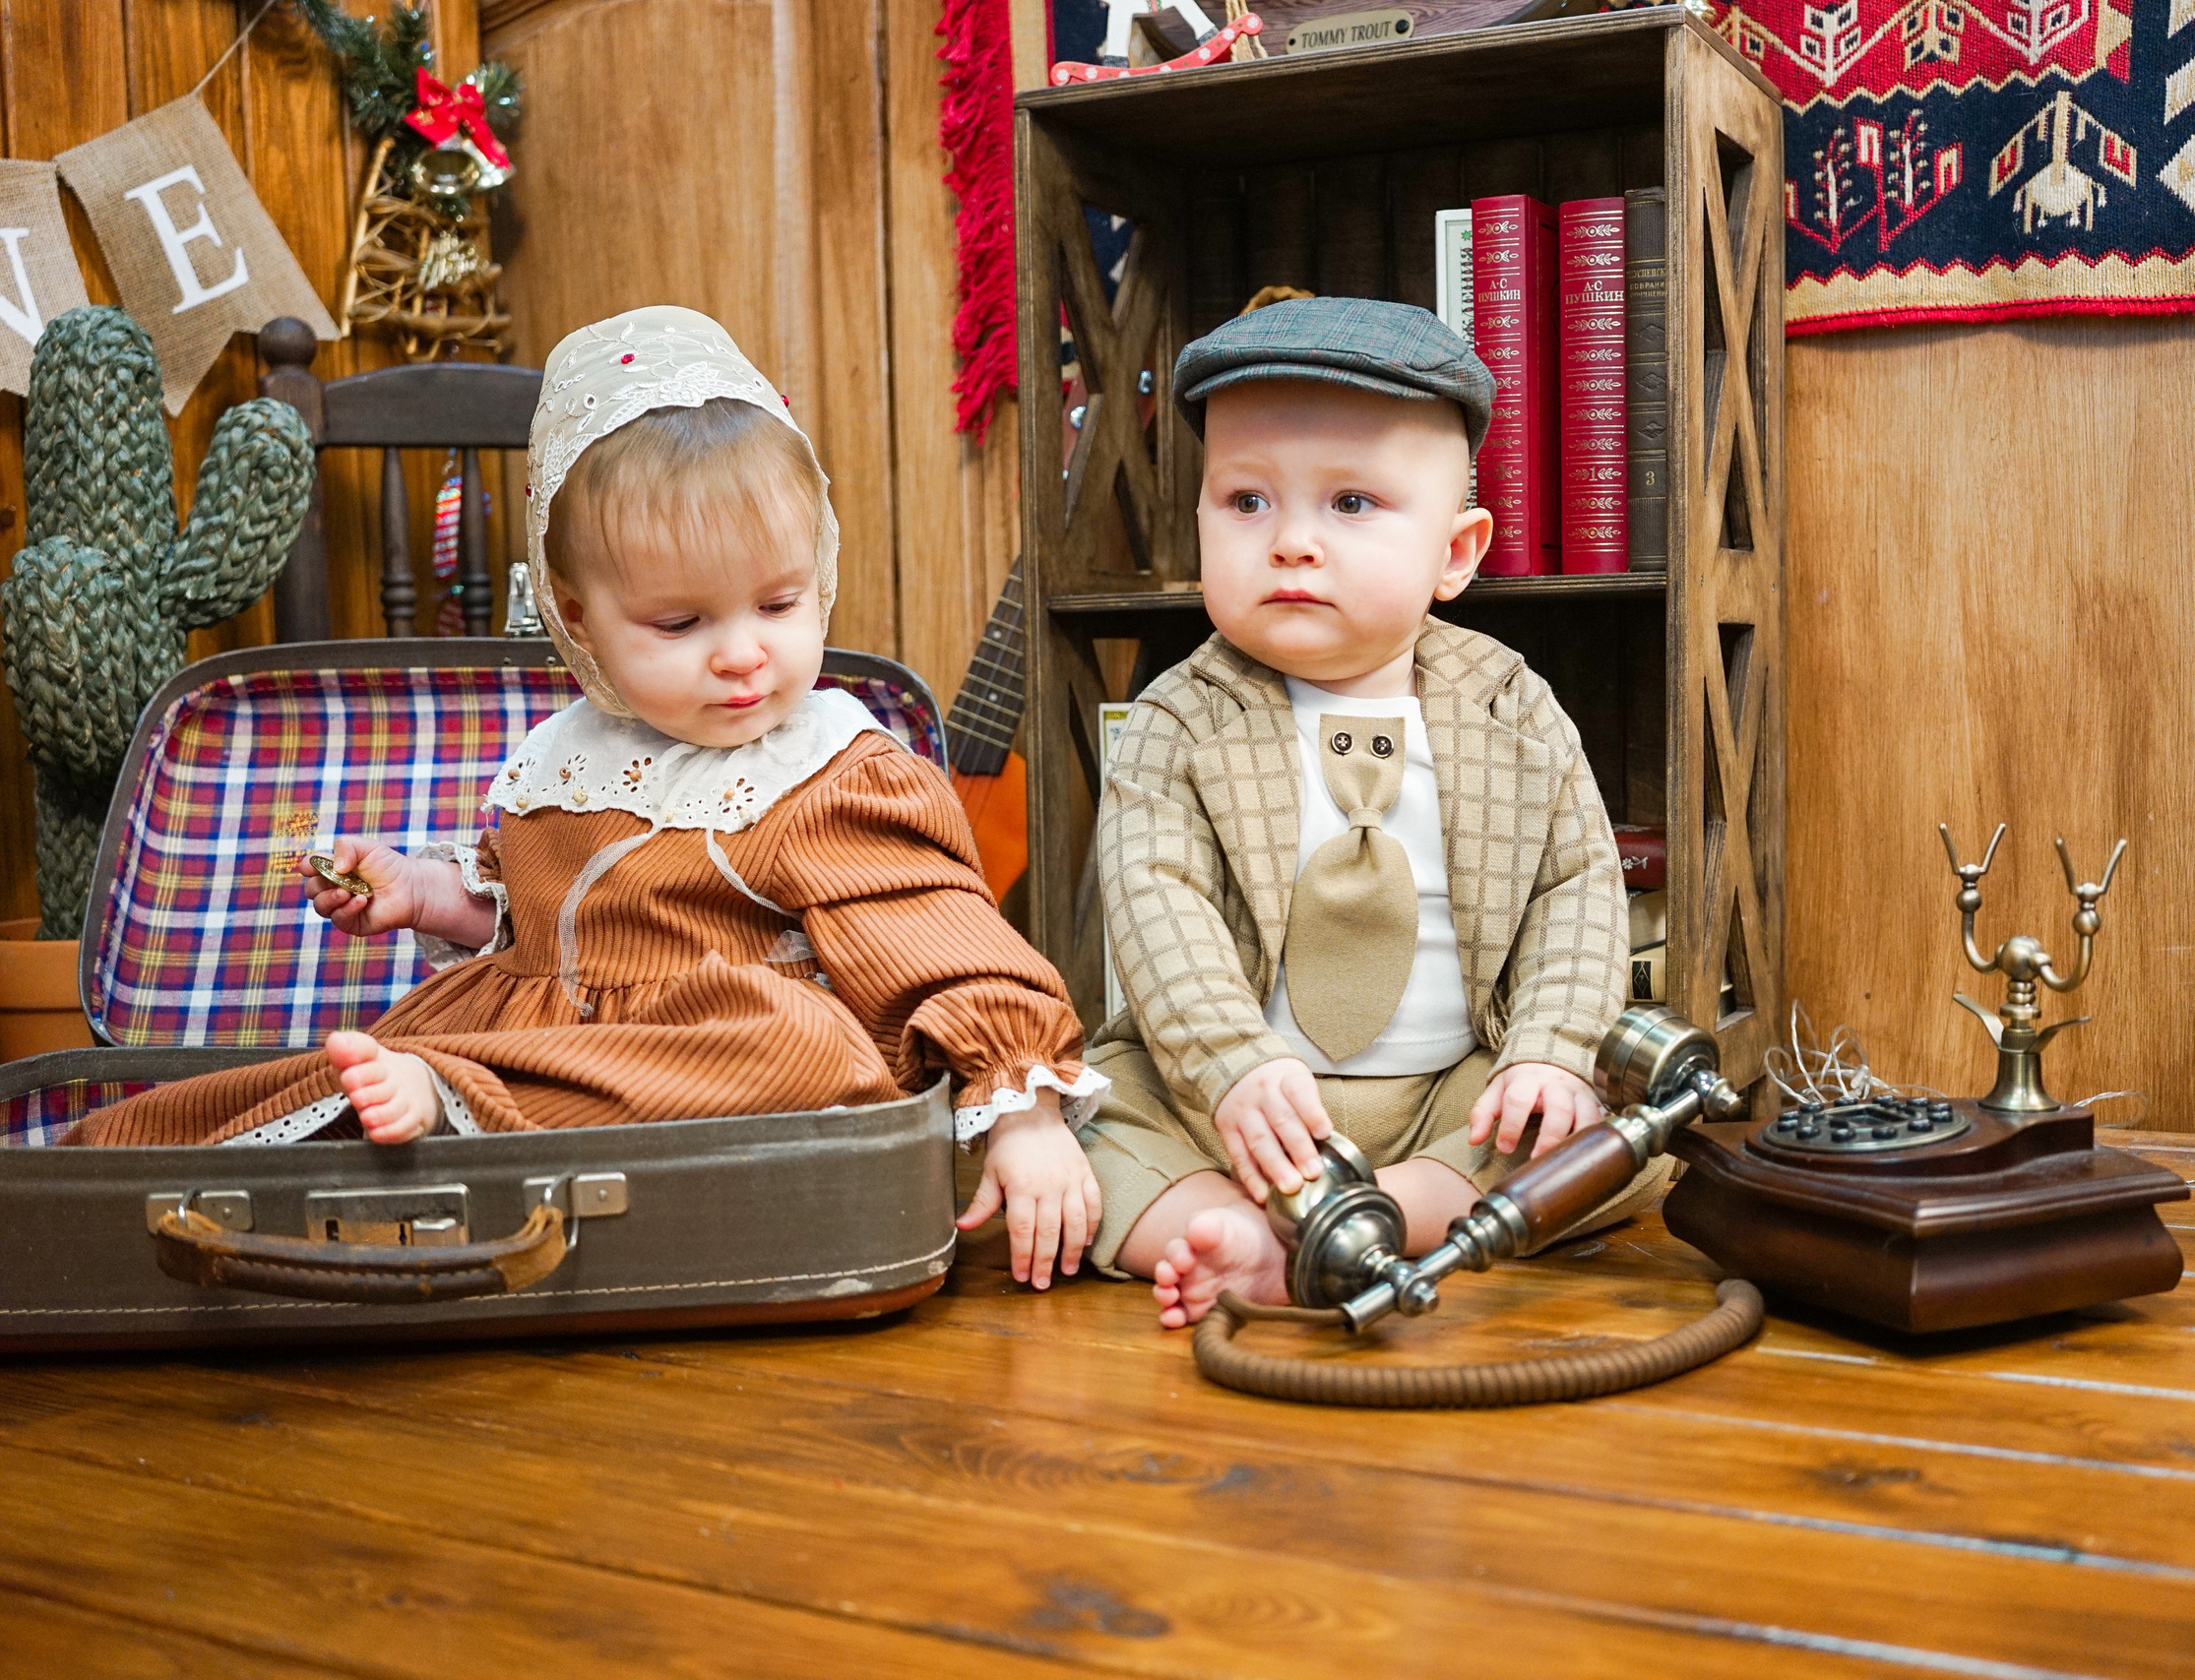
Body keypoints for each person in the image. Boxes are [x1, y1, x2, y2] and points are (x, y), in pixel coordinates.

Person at [67, 306, 1105, 1288]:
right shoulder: (566, 758)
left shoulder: (827, 765)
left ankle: (457, 1101)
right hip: (536, 1042)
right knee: (320, 1076)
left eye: (779, 603)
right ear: (577, 617)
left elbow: (938, 938)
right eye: (679, 624)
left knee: (801, 1042)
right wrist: (425, 894)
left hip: (711, 1057)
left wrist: (1024, 1112)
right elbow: (533, 916)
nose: (743, 653)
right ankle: (118, 1172)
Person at [1082, 295, 1659, 1327]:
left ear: (1456, 553)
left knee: (1599, 1129)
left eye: (1351, 503)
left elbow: (1575, 886)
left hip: (1450, 1093)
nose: (1293, 542)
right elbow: (1156, 901)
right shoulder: (1177, 720)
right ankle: (1238, 1225)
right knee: (1078, 1120)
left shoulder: (1510, 707)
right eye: (1246, 501)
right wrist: (1229, 1064)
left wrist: (1548, 1048)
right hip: (1232, 1105)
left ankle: (1375, 1211)